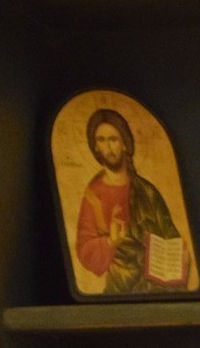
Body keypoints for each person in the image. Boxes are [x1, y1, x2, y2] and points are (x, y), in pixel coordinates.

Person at [75, 107, 184, 294]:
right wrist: (111, 242)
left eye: (113, 139)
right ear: (95, 147)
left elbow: (171, 237)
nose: (108, 148)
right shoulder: (93, 196)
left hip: (157, 286)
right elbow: (84, 249)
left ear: (125, 144)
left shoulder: (147, 192)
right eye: (101, 140)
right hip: (119, 287)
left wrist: (179, 255)